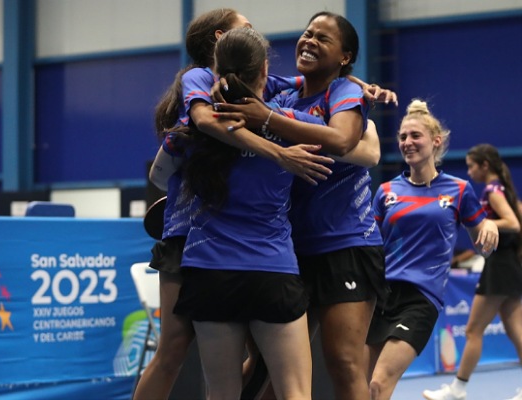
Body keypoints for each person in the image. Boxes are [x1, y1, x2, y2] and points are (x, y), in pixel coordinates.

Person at [141, 7, 395, 400]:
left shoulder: (279, 104)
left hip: (328, 247)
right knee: (273, 378)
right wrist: (277, 148)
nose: (308, 40)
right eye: (250, 29)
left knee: (334, 364)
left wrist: (355, 92)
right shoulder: (271, 106)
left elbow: (355, 144)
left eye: (321, 37)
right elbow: (349, 143)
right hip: (276, 261)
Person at [214, 11, 393, 400]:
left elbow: (342, 139)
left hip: (346, 246)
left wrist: (269, 118)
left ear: (345, 56)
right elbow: (235, 82)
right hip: (289, 252)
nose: (310, 41)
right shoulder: (284, 95)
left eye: (323, 38)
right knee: (267, 365)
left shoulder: (342, 93)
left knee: (343, 362)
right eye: (308, 33)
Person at [173, 26, 318, 399]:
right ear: (265, 70)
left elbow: (161, 175)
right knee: (296, 393)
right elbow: (354, 144)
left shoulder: (195, 126)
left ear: (216, 69)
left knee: (221, 393)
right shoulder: (293, 125)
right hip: (272, 270)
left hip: (209, 271)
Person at [363, 100, 499, 400]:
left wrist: (490, 225)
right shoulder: (385, 192)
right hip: (380, 297)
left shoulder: (459, 190)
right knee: (360, 386)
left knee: (378, 384)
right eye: (403, 137)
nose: (407, 142)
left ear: (436, 141)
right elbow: (370, 245)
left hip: (421, 299)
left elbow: (484, 248)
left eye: (415, 136)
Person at [423, 143, 522, 400]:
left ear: (484, 166)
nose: (468, 172)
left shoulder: (492, 191)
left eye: (471, 166)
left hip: (500, 267)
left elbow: (513, 223)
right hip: (508, 265)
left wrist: (480, 222)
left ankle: (457, 389)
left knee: (472, 331)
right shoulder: (502, 188)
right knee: (515, 328)